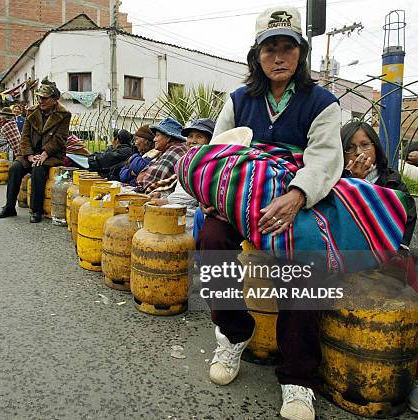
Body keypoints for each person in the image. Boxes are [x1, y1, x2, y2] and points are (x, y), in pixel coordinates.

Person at [191, 7, 344, 420]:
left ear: (301, 54)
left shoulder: (322, 102)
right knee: (211, 241)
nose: (279, 57)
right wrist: (211, 193)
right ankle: (233, 332)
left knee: (304, 259)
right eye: (270, 48)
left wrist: (296, 196)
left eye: (287, 48)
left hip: (296, 197)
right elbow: (218, 151)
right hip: (240, 196)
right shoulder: (239, 100)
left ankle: (298, 377)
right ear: (256, 56)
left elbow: (326, 159)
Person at [340, 120, 418, 416]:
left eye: (365, 144)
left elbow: (402, 225)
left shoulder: (391, 180)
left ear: (376, 148)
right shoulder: (335, 179)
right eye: (350, 147)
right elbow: (337, 223)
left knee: (405, 274)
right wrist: (352, 183)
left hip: (385, 259)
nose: (359, 152)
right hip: (343, 256)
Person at [0, 78, 69, 223]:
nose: (41, 101)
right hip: (31, 153)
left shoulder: (64, 114)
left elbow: (59, 139)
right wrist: (28, 155)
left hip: (51, 154)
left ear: (54, 99)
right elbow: (25, 136)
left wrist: (45, 154)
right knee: (15, 168)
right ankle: (9, 207)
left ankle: (36, 210)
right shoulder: (32, 111)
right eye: (39, 97)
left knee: (38, 171)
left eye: (44, 98)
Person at [152, 118, 215, 233]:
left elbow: (191, 197)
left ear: (210, 141)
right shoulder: (186, 161)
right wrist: (161, 194)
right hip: (181, 207)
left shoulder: (210, 163)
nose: (193, 141)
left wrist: (166, 201)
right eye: (190, 136)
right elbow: (177, 187)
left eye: (199, 137)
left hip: (196, 212)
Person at [134, 117, 188, 193]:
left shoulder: (177, 149)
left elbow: (151, 181)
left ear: (168, 137)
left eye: (157, 135)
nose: (154, 139)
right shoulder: (164, 151)